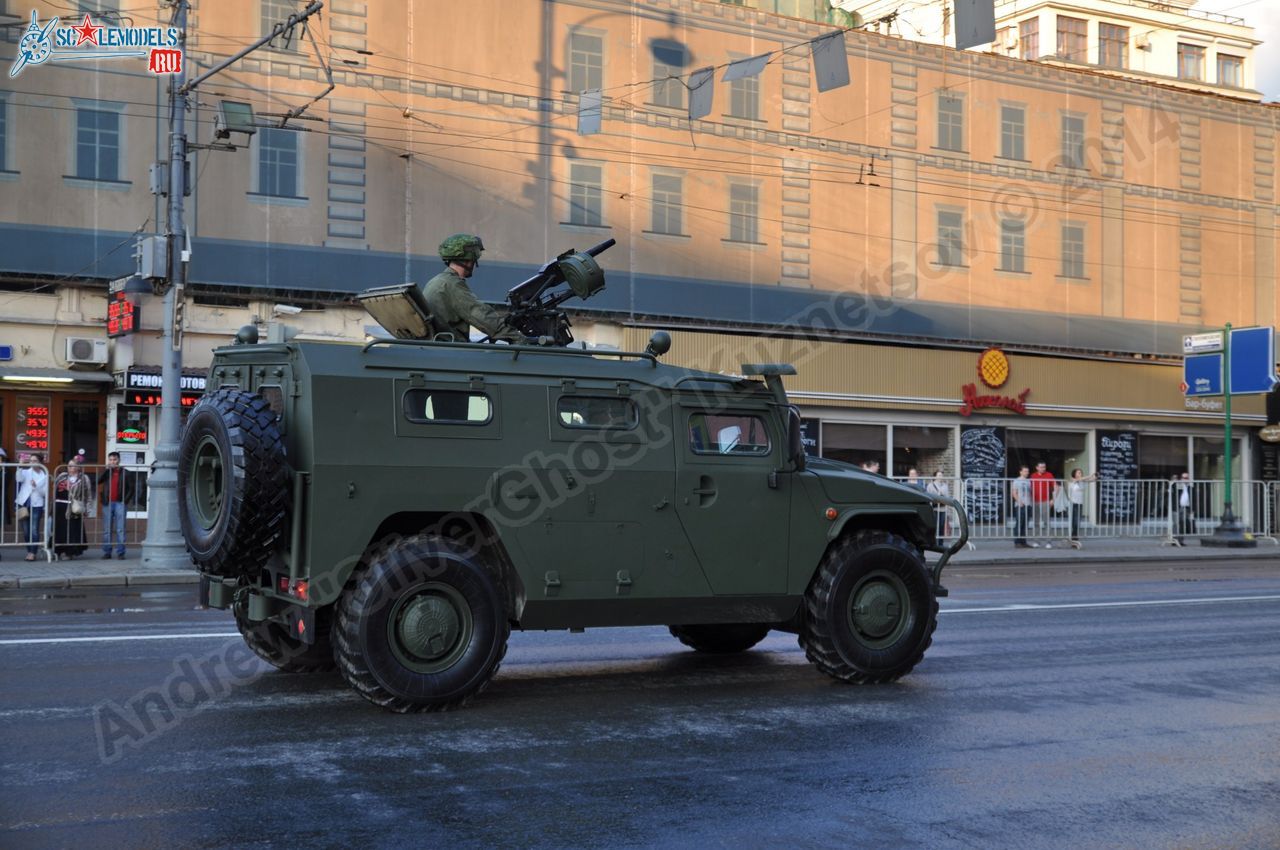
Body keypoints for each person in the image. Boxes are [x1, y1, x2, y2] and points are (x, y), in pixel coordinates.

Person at [420, 234, 520, 344]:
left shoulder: (436, 281)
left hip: (441, 348)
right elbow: (481, 316)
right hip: (452, 352)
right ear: (470, 260)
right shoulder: (452, 285)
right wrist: (519, 339)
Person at [98, 452, 135, 559]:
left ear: (119, 460)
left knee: (120, 529)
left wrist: (125, 500)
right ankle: (107, 552)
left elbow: (131, 488)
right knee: (107, 529)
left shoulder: (126, 473)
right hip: (107, 503)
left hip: (120, 503)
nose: (112, 462)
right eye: (110, 460)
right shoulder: (107, 472)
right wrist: (106, 470)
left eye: (114, 459)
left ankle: (121, 552)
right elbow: (97, 481)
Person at [53, 459, 91, 560]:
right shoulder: (62, 476)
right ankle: (58, 550)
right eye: (69, 466)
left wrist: (87, 508)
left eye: (73, 466)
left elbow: (88, 495)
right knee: (60, 530)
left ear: (78, 467)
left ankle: (69, 552)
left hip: (73, 508)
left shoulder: (83, 478)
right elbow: (54, 489)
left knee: (72, 530)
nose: (70, 468)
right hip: (60, 507)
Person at [15, 453, 47, 561]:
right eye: (31, 460)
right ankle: (29, 551)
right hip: (24, 504)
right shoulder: (26, 472)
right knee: (25, 530)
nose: (32, 462)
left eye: (34, 461)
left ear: (40, 462)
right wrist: (20, 466)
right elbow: (18, 479)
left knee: (34, 530)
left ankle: (33, 553)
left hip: (37, 505)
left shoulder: (45, 475)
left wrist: (36, 486)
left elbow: (44, 493)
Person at [1067, 468, 1098, 548]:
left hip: (1080, 503)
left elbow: (1091, 480)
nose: (1080, 474)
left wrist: (1095, 477)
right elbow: (1082, 479)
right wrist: (1090, 475)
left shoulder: (1081, 482)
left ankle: (1075, 539)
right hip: (1073, 503)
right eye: (1078, 472)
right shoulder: (1072, 480)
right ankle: (1074, 539)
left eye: (1081, 472)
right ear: (1074, 474)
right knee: (1075, 522)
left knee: (1077, 522)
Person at [1029, 461, 1058, 548]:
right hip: (1035, 501)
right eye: (1041, 467)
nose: (1043, 469)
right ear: (1037, 467)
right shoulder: (1033, 476)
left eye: (1044, 467)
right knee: (1036, 522)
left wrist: (1053, 499)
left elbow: (1056, 487)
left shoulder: (1049, 475)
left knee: (1047, 522)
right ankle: (1036, 542)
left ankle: (1048, 542)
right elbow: (1029, 488)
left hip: (1046, 501)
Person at [1011, 465, 1033, 548]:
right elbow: (1014, 492)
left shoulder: (1028, 481)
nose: (1027, 473)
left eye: (1027, 471)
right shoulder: (1016, 481)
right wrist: (1019, 501)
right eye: (1025, 471)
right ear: (1020, 472)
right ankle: (1017, 542)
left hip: (1028, 504)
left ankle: (1023, 541)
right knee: (1019, 523)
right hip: (1020, 504)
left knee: (1025, 524)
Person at [927, 471, 952, 538]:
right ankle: (933, 541)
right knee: (934, 525)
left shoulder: (945, 486)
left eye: (941, 475)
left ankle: (940, 542)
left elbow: (947, 496)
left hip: (943, 509)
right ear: (935, 476)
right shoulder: (930, 485)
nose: (940, 477)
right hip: (934, 508)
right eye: (939, 475)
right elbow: (928, 496)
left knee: (941, 525)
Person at [1174, 471, 1194, 545]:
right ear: (1181, 478)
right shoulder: (1177, 486)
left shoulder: (1190, 488)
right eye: (1184, 478)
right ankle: (1174, 540)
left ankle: (1180, 541)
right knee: (1176, 524)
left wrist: (1192, 509)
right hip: (1177, 507)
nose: (1185, 479)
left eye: (1187, 478)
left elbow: (1193, 499)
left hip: (1186, 508)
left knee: (1182, 524)